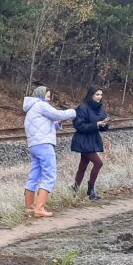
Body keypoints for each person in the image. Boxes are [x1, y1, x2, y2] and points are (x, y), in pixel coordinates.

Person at [23, 86, 77, 217]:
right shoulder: (41, 105)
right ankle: (39, 208)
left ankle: (30, 206)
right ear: (41, 96)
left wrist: (58, 123)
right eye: (47, 96)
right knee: (49, 175)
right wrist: (74, 112)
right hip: (44, 145)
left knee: (34, 175)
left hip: (34, 145)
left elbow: (48, 124)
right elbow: (59, 114)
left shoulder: (31, 109)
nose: (49, 99)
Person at [70, 85, 110, 200]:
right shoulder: (82, 107)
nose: (99, 97)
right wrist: (96, 124)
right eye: (97, 94)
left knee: (82, 166)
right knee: (98, 163)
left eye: (101, 95)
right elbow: (79, 125)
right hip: (83, 140)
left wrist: (105, 124)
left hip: (92, 140)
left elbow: (102, 125)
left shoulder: (100, 108)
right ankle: (90, 190)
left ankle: (75, 189)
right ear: (91, 95)